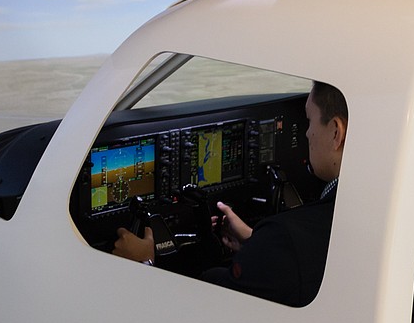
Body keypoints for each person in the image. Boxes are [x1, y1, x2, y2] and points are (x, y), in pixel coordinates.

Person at [113, 81, 348, 307]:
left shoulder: (289, 238)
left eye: (309, 122)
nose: (306, 134)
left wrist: (144, 263)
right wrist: (257, 243)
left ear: (336, 132)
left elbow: (206, 310)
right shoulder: (358, 214)